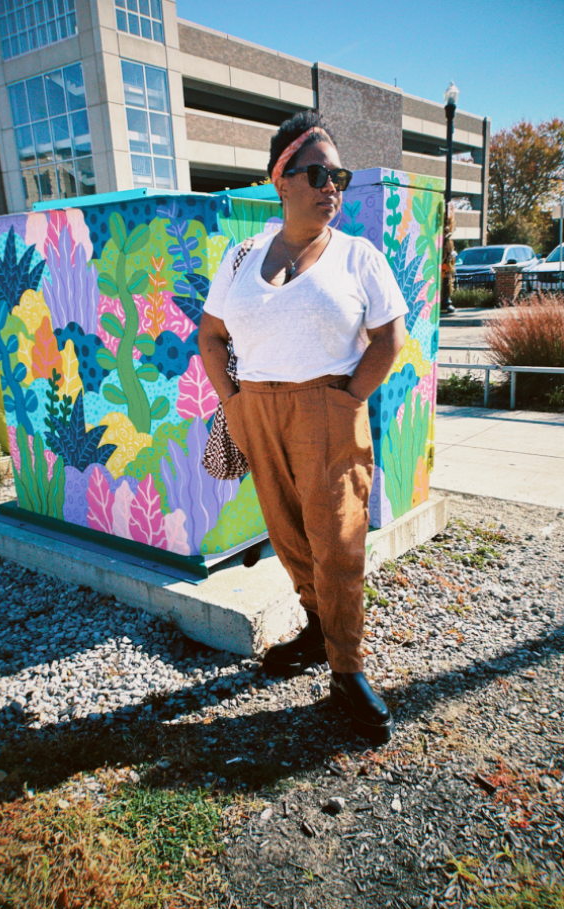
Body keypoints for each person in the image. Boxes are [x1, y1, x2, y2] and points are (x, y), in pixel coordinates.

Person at [198, 110, 407, 744]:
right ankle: (317, 631)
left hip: (328, 409)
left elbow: (390, 340)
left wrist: (347, 401)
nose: (331, 186)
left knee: (338, 541)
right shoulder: (239, 258)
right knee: (288, 531)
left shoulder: (357, 256)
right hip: (256, 410)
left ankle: (347, 669)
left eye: (337, 175)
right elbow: (211, 336)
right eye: (317, 173)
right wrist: (233, 403)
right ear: (280, 178)